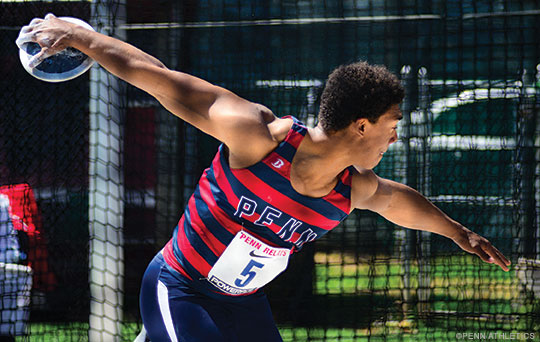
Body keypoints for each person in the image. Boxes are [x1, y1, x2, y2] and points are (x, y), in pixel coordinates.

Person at [17, 14, 511, 342]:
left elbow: (396, 200)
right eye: (392, 127)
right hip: (179, 285)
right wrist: (84, 37)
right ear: (362, 125)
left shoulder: (350, 187)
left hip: (242, 303)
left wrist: (459, 233)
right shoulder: (260, 138)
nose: (394, 140)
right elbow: (161, 80)